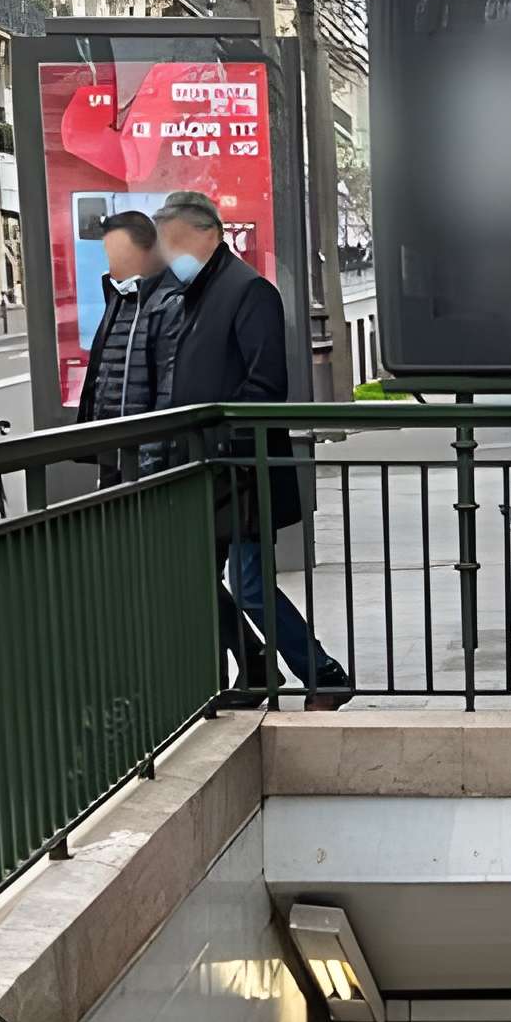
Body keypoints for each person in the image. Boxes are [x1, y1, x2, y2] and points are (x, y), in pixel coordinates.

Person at [149, 189, 353, 707]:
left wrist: (215, 432)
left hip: (244, 469)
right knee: (193, 573)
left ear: (209, 234)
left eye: (175, 242)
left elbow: (266, 384)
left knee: (250, 584)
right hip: (212, 468)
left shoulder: (247, 291)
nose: (169, 255)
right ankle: (259, 663)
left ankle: (322, 673)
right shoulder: (192, 296)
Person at [73, 211, 170, 458]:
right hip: (112, 444)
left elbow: (168, 389)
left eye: (116, 252)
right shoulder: (117, 298)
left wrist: (154, 454)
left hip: (143, 451)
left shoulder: (166, 302)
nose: (110, 261)